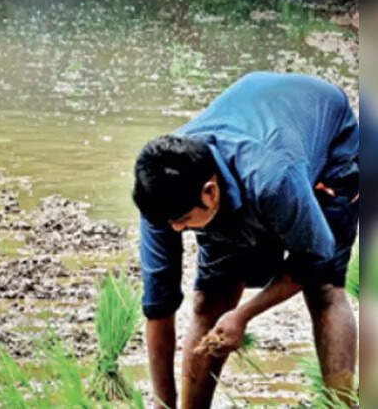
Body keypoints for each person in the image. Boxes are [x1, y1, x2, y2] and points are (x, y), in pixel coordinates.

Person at [132, 72, 358, 408]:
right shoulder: (161, 196)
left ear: (209, 193)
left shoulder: (273, 179)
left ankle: (341, 405)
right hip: (253, 123)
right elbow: (158, 307)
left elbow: (315, 256)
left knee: (323, 288)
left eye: (182, 221)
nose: (176, 231)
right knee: (209, 302)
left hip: (326, 133)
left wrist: (246, 314)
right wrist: (162, 404)